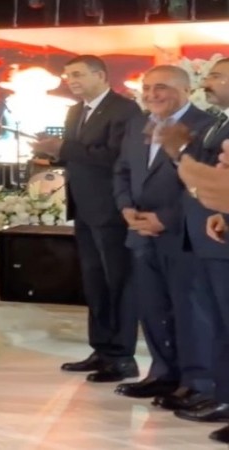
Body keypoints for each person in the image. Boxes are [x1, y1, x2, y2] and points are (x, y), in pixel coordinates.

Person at [31, 55, 141, 382]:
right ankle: (102, 349)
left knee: (118, 282)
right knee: (94, 283)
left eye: (78, 74)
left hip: (112, 209)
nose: (71, 81)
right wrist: (51, 152)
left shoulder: (125, 110)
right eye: (68, 76)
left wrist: (63, 148)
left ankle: (122, 356)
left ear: (101, 75)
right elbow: (78, 157)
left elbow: (117, 157)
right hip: (84, 208)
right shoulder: (75, 111)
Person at [112, 66, 214, 403]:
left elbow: (207, 184)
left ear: (186, 90)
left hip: (183, 235)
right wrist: (126, 208)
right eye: (147, 87)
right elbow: (122, 170)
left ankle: (197, 382)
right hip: (140, 232)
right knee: (152, 307)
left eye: (161, 87)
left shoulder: (206, 126)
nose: (152, 94)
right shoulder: (138, 124)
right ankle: (162, 374)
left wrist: (166, 219)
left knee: (190, 311)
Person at [158, 58, 229, 445]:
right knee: (219, 324)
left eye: (216, 76)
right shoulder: (218, 122)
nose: (207, 81)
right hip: (213, 232)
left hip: (220, 238)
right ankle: (222, 397)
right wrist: (179, 152)